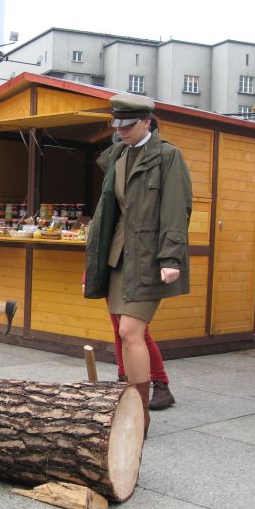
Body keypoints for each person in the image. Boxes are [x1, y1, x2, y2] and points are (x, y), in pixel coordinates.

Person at [84, 93, 192, 435]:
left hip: (150, 257)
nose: (121, 132)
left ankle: (140, 414)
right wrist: (95, 261)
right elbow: (107, 214)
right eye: (117, 125)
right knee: (121, 330)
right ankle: (129, 401)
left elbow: (177, 209)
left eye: (128, 125)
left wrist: (171, 256)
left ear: (147, 121)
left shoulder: (168, 156)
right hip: (117, 255)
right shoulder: (117, 155)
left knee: (131, 331)